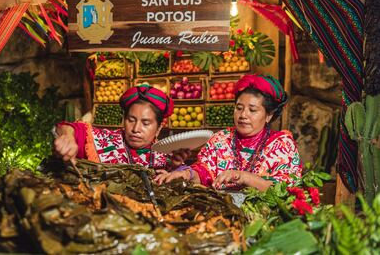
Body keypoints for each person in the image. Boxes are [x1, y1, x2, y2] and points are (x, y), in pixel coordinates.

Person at [155, 74, 302, 191]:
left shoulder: (282, 145)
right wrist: (187, 174)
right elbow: (205, 171)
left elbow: (286, 189)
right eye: (239, 108)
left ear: (268, 115)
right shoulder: (220, 139)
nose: (243, 115)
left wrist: (243, 177)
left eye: (252, 110)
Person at [54, 85, 190, 169]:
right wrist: (67, 136)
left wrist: (176, 168)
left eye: (146, 123)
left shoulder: (165, 158)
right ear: (123, 120)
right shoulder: (105, 140)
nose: (136, 128)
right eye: (131, 120)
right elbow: (69, 128)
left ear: (159, 128)